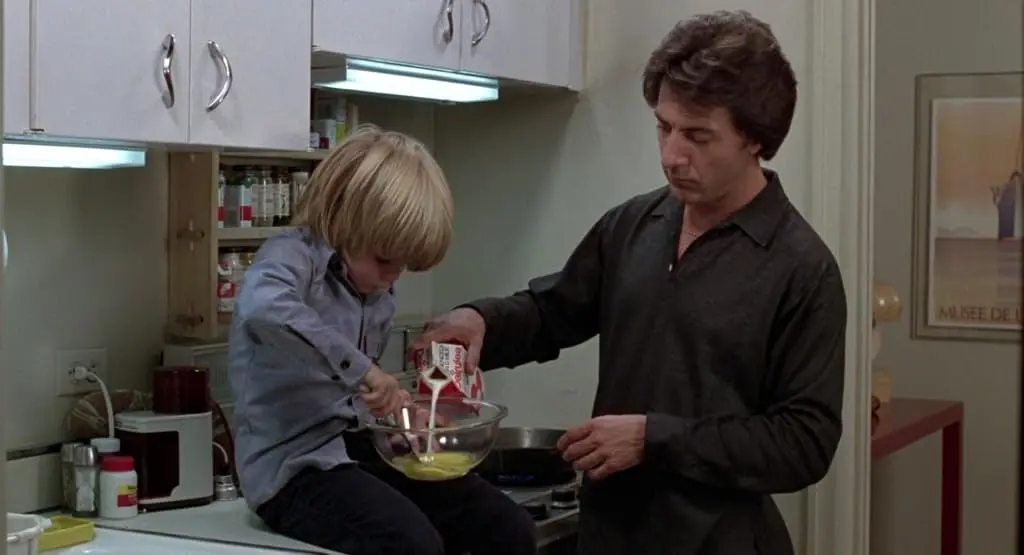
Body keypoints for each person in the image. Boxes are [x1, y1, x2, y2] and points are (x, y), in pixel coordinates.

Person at [414, 10, 848, 555]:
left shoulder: (802, 269)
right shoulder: (634, 225)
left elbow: (803, 443)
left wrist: (652, 439)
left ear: (755, 138)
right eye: (664, 127)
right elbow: (553, 312)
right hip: (608, 535)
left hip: (721, 543)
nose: (671, 155)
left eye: (697, 135)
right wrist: (480, 321)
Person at [228, 126, 536, 555]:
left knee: (509, 528)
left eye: (404, 266)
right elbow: (264, 309)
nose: (392, 279)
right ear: (343, 219)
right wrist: (365, 372)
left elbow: (357, 404)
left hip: (355, 452)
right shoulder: (290, 257)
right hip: (291, 471)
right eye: (384, 260)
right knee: (411, 544)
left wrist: (400, 423)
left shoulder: (376, 288)